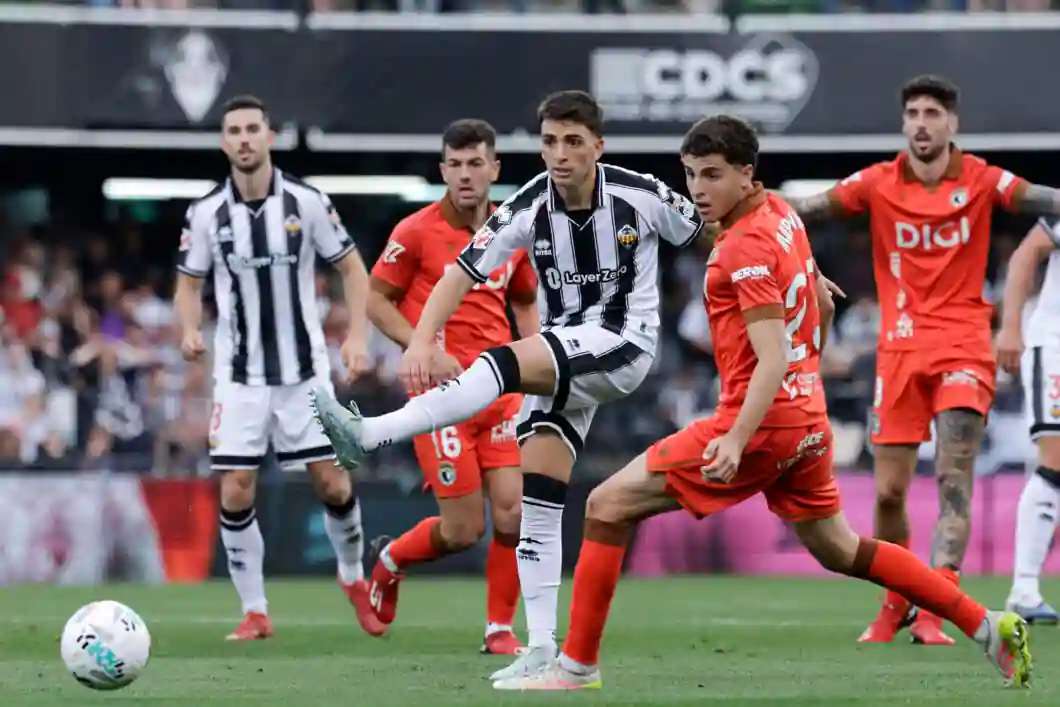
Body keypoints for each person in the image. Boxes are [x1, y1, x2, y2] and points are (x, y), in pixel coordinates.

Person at [489, 114, 1032, 692]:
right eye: (692, 175)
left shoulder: (738, 251)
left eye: (713, 175)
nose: (698, 189)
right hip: (805, 417)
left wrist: (736, 436)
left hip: (762, 420)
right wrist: (806, 375)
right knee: (842, 549)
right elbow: (821, 306)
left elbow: (769, 358)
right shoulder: (781, 214)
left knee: (605, 505)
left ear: (747, 174)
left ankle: (575, 667)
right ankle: (985, 625)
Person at [310, 89, 704, 679]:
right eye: (550, 141)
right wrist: (420, 342)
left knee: (499, 365)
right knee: (537, 506)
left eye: (574, 142)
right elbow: (461, 273)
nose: (561, 154)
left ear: (598, 145)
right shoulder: (526, 205)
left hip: (625, 345)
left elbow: (713, 225)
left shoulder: (640, 193)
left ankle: (369, 434)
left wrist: (792, 266)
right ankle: (546, 652)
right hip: (570, 353)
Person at [787, 74, 1060, 645]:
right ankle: (897, 604)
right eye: (912, 112)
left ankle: (934, 613)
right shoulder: (878, 182)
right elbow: (808, 208)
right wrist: (751, 205)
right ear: (903, 123)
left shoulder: (983, 180)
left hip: (963, 346)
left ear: (952, 124)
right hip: (899, 351)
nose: (921, 122)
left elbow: (1044, 199)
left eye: (932, 112)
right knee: (889, 492)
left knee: (952, 479)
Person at [174, 94, 384, 641]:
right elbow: (188, 282)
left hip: (304, 375)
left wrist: (358, 335)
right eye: (234, 131)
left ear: (269, 137)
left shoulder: (306, 202)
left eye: (252, 129)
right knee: (236, 488)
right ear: (224, 142)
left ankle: (353, 577)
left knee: (333, 485)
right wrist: (190, 328)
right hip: (240, 378)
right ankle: (256, 610)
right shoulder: (205, 214)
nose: (244, 139)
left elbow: (354, 269)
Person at [364, 118, 539, 654]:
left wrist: (534, 364)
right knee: (463, 530)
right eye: (455, 165)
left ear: (494, 169)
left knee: (513, 511)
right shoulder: (416, 231)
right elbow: (374, 301)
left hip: (501, 392)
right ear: (443, 170)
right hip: (441, 402)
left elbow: (526, 301)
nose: (465, 175)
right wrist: (419, 347)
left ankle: (499, 629)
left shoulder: (514, 232)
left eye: (475, 164)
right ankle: (391, 562)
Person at [996, 218, 1060, 624]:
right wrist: (1010, 327)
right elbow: (1026, 253)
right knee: (1055, 461)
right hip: (1055, 347)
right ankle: (1023, 588)